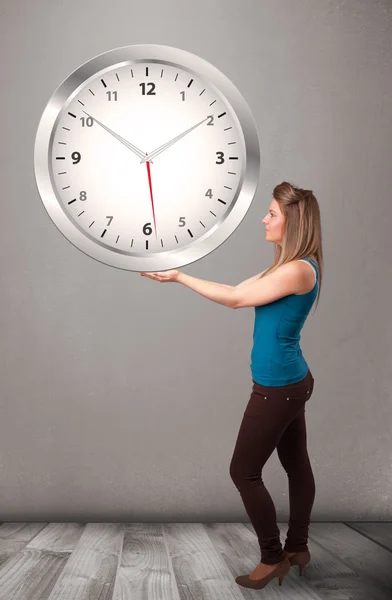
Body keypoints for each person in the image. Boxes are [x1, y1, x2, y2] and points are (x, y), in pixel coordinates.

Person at [139, 181, 323, 590]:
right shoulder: (286, 264)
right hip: (290, 382)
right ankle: (298, 547)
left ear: (293, 221)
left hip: (279, 388)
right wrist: (179, 277)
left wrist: (182, 278)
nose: (265, 218)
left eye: (272, 213)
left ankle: (273, 556)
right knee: (296, 465)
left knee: (243, 471)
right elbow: (237, 291)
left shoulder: (297, 269)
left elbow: (236, 302)